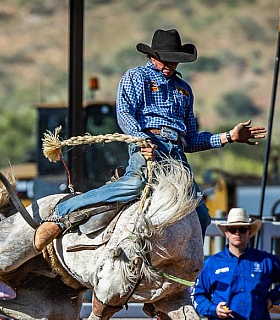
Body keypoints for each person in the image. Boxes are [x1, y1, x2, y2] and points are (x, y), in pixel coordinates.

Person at [34, 28, 267, 251]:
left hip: (176, 155)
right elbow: (124, 113)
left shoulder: (184, 90)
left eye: (174, 60)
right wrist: (141, 140)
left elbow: (192, 139)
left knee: (200, 214)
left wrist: (228, 137)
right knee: (134, 185)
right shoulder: (136, 77)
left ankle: (181, 266)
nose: (170, 65)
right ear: (152, 56)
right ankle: (63, 213)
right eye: (165, 59)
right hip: (148, 145)